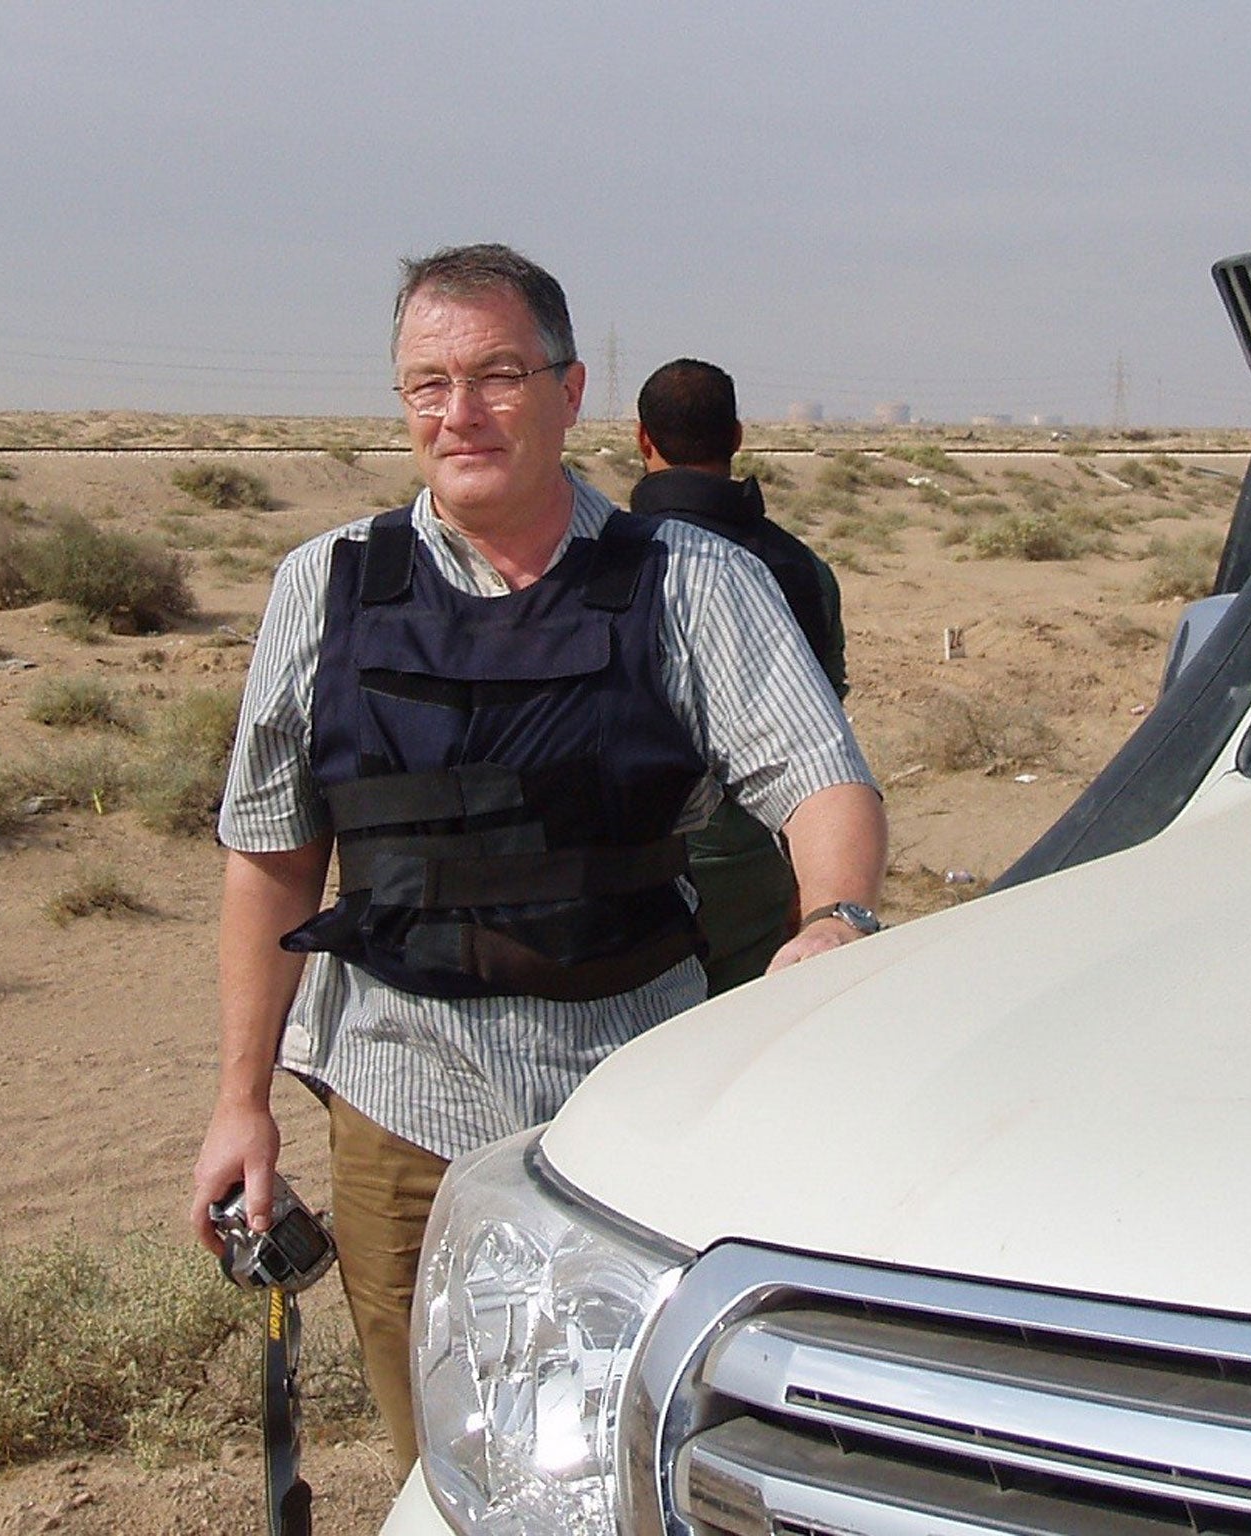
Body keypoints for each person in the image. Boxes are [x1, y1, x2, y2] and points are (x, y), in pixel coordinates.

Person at [188, 244, 887, 1475]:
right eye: (427, 384)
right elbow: (272, 859)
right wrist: (241, 1101)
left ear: (568, 394)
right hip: (398, 1107)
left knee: (623, 1452)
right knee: (445, 1461)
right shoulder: (327, 586)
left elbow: (820, 780)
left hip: (628, 1103)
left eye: (498, 375)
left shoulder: (691, 581)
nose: (459, 412)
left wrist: (832, 917)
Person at [630, 358, 848, 991]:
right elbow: (821, 748)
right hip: (762, 874)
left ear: (644, 440)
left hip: (632, 883)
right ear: (737, 437)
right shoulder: (803, 570)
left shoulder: (599, 561)